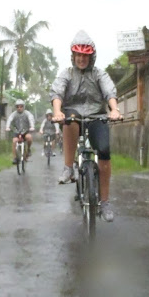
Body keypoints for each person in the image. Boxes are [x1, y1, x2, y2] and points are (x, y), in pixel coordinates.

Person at [50, 30, 122, 222]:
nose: (81, 59)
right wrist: (57, 112)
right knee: (70, 120)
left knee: (104, 151)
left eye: (85, 55)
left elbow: (109, 92)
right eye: (78, 55)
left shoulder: (99, 74)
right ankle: (68, 168)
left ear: (91, 57)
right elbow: (57, 93)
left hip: (97, 116)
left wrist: (114, 109)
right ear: (73, 56)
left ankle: (105, 202)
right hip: (74, 115)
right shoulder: (67, 74)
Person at [5, 99, 35, 163]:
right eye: (17, 107)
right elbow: (9, 119)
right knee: (14, 141)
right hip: (16, 131)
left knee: (29, 137)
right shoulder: (14, 114)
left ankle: (28, 149)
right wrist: (7, 127)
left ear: (23, 107)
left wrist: (32, 126)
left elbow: (31, 119)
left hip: (25, 131)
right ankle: (15, 158)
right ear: (16, 107)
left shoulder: (27, 113)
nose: (19, 108)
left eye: (21, 106)